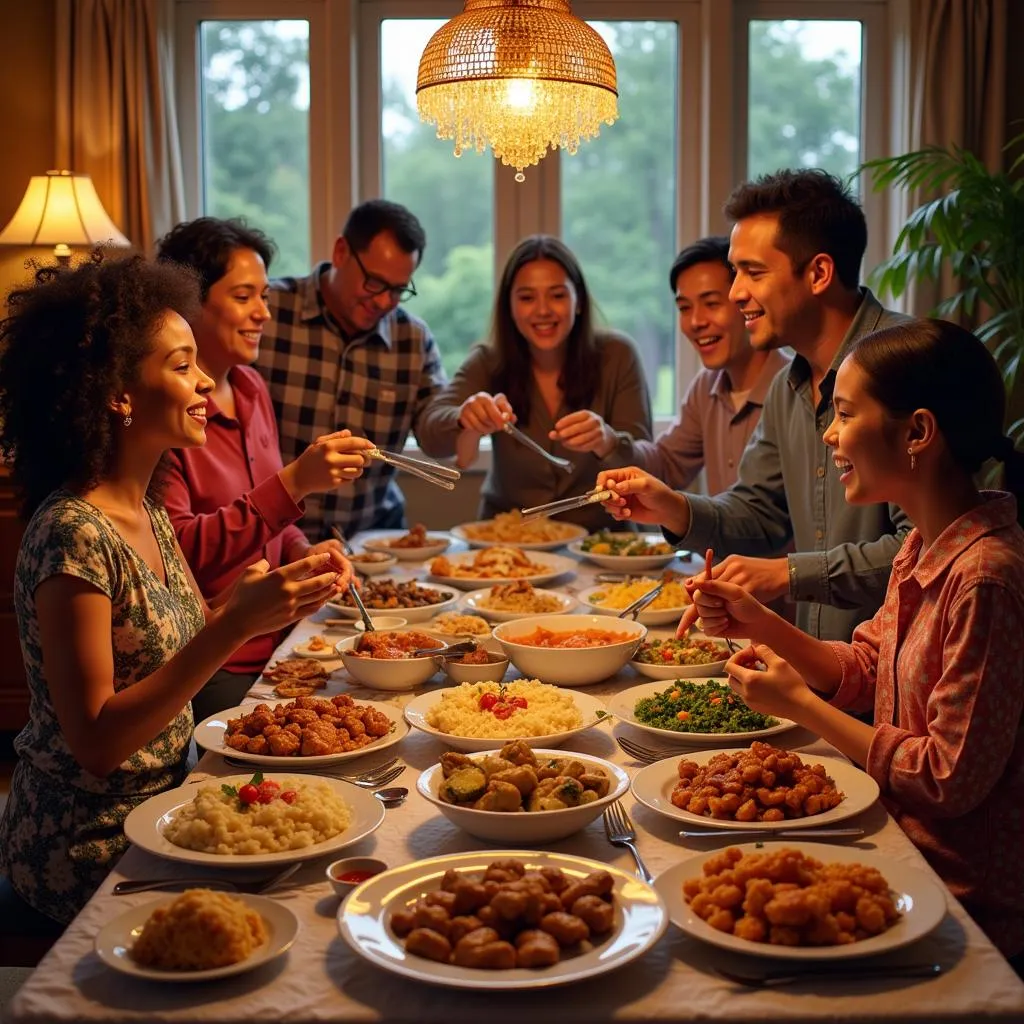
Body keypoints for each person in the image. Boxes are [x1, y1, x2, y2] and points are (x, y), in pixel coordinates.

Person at [0, 255, 349, 938]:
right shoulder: (72, 532)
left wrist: (267, 600)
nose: (203, 383)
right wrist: (230, 628)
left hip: (166, 809)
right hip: (89, 850)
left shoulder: (149, 508)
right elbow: (97, 740)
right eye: (182, 365)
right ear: (117, 393)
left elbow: (182, 642)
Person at [686, 319, 1024, 966]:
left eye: (843, 414)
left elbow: (946, 779)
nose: (830, 435)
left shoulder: (985, 578)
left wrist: (804, 708)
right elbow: (868, 666)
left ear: (918, 432)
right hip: (891, 845)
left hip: (957, 906)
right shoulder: (925, 545)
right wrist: (759, 621)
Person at [598, 169, 912, 641]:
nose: (734, 292)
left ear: (819, 274)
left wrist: (787, 573)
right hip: (820, 672)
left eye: (753, 272)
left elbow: (930, 550)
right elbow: (760, 513)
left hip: (900, 687)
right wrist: (673, 508)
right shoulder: (789, 385)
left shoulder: (911, 362)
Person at [156, 217, 374, 722]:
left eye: (265, 297)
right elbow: (182, 554)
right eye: (243, 297)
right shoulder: (165, 417)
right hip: (216, 662)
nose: (262, 313)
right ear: (190, 302)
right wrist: (294, 482)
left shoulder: (251, 388)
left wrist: (304, 549)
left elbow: (274, 523)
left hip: (285, 640)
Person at [417, 235, 652, 532]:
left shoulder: (618, 355)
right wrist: (463, 417)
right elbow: (430, 433)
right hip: (509, 543)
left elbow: (648, 468)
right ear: (509, 307)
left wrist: (608, 441)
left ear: (578, 300)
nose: (542, 310)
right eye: (527, 298)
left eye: (557, 295)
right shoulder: (488, 360)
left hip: (602, 542)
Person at [254, 199, 453, 540]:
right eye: (374, 282)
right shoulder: (268, 313)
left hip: (374, 540)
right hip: (276, 539)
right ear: (341, 251)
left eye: (398, 290)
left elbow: (437, 439)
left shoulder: (412, 338)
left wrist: (463, 419)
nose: (382, 301)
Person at [633, 236, 789, 495]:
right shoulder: (706, 387)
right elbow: (668, 465)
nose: (695, 321)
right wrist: (609, 443)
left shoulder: (794, 388)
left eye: (711, 304)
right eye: (684, 308)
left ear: (745, 301)